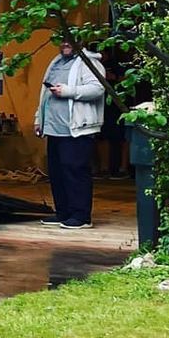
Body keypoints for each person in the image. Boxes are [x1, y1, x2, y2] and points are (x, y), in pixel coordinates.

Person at [36, 28, 106, 228]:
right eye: (63, 41)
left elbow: (97, 88)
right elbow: (44, 93)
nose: (65, 44)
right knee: (57, 172)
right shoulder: (56, 62)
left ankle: (81, 216)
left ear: (80, 42)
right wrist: (38, 118)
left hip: (76, 128)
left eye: (70, 41)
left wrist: (68, 91)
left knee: (75, 171)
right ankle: (63, 212)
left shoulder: (90, 63)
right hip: (54, 128)